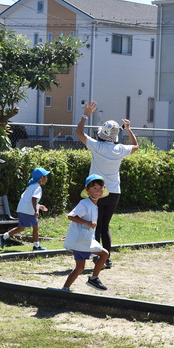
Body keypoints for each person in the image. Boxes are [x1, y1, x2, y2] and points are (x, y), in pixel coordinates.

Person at [76, 100, 138, 269]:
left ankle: (98, 257)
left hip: (97, 192)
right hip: (114, 193)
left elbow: (79, 132)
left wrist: (85, 115)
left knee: (96, 226)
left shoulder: (97, 146)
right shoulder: (120, 149)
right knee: (105, 227)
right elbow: (136, 146)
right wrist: (129, 129)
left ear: (102, 133)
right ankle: (107, 259)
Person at [61, 174, 110, 292]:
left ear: (104, 189)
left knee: (79, 268)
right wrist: (87, 223)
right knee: (104, 254)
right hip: (82, 242)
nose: (98, 191)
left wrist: (71, 235)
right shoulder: (85, 203)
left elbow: (76, 223)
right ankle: (93, 278)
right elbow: (71, 216)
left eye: (100, 188)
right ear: (87, 190)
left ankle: (65, 288)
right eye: (94, 188)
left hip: (83, 240)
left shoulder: (93, 205)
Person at [0, 167, 50, 251]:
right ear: (41, 178)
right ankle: (36, 246)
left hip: (22, 210)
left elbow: (28, 199)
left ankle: (4, 236)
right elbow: (33, 199)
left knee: (21, 228)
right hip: (28, 211)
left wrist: (39, 206)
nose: (46, 178)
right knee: (35, 227)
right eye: (45, 176)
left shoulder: (31, 186)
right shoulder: (37, 187)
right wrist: (36, 211)